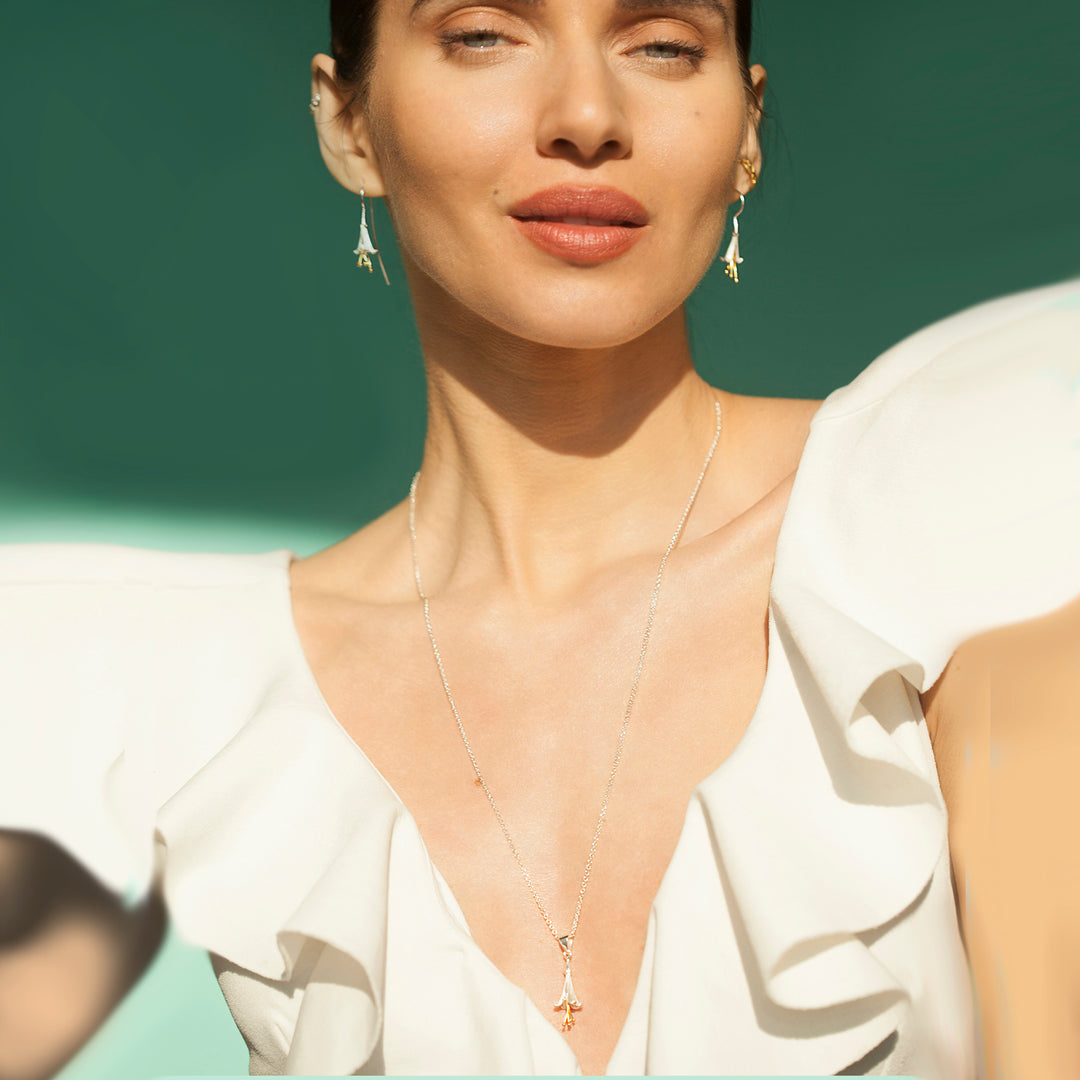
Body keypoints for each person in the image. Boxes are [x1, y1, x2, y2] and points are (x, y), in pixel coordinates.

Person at [1, 0, 1078, 1077]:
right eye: (483, 35)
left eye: (662, 44)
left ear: (746, 128)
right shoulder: (211, 699)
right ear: (349, 124)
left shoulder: (931, 541)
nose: (586, 116)